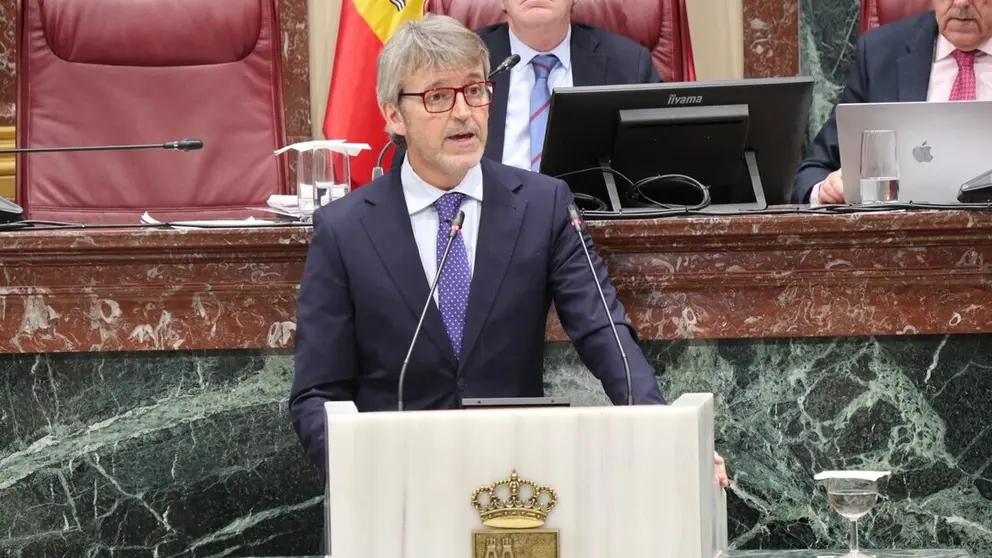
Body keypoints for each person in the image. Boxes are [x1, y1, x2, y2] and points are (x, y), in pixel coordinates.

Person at [290, 14, 728, 488]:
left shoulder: (543, 205)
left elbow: (605, 333)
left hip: (515, 490)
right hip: (395, 495)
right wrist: (366, 480)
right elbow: (316, 394)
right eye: (438, 96)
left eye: (475, 90)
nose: (463, 113)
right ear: (393, 115)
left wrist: (667, 437)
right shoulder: (346, 228)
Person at [392, 0, 661, 172]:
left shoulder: (629, 64)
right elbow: (415, 158)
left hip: (591, 228)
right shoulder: (459, 63)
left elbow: (659, 168)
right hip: (485, 228)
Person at [793, 0, 992, 205]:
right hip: (900, 231)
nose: (961, 3)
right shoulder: (880, 53)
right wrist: (826, 190)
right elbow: (814, 170)